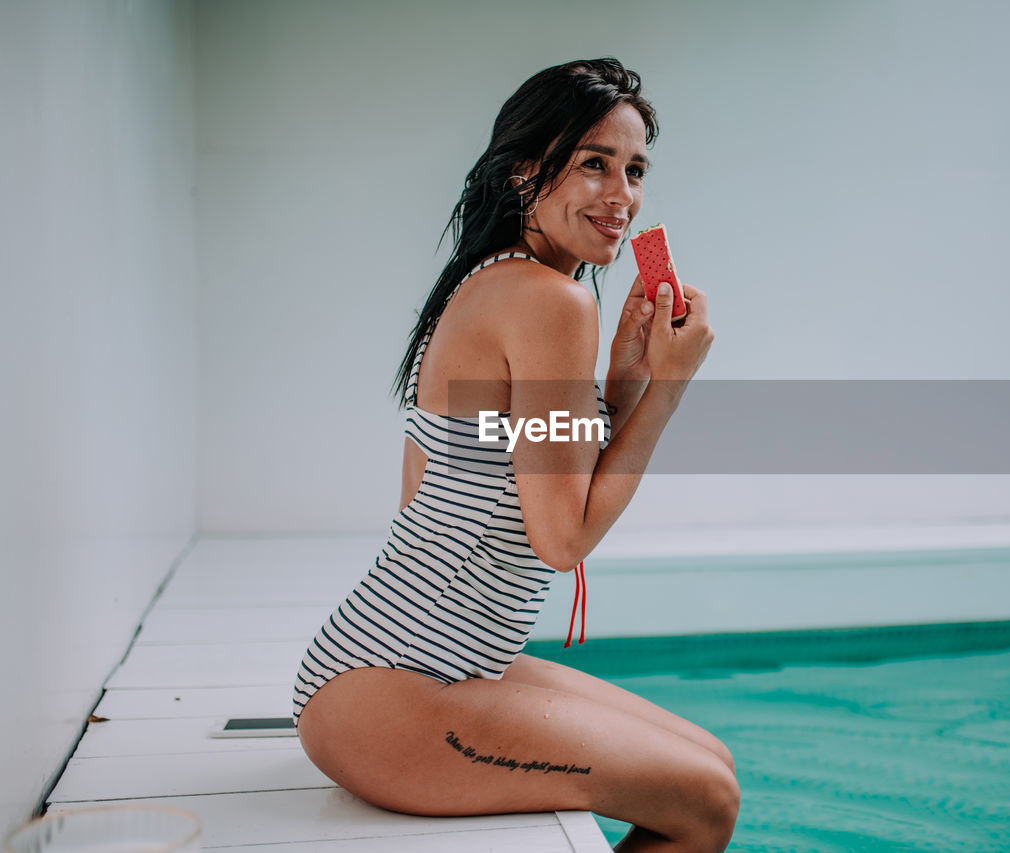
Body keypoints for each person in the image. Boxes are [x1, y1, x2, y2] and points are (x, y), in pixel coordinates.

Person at [290, 58, 735, 852]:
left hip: (379, 666)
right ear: (527, 170)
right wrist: (671, 387)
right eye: (593, 162)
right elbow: (561, 541)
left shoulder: (482, 282)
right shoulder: (551, 300)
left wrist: (624, 384)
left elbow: (443, 486)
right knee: (706, 800)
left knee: (712, 762)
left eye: (635, 170)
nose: (622, 196)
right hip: (397, 692)